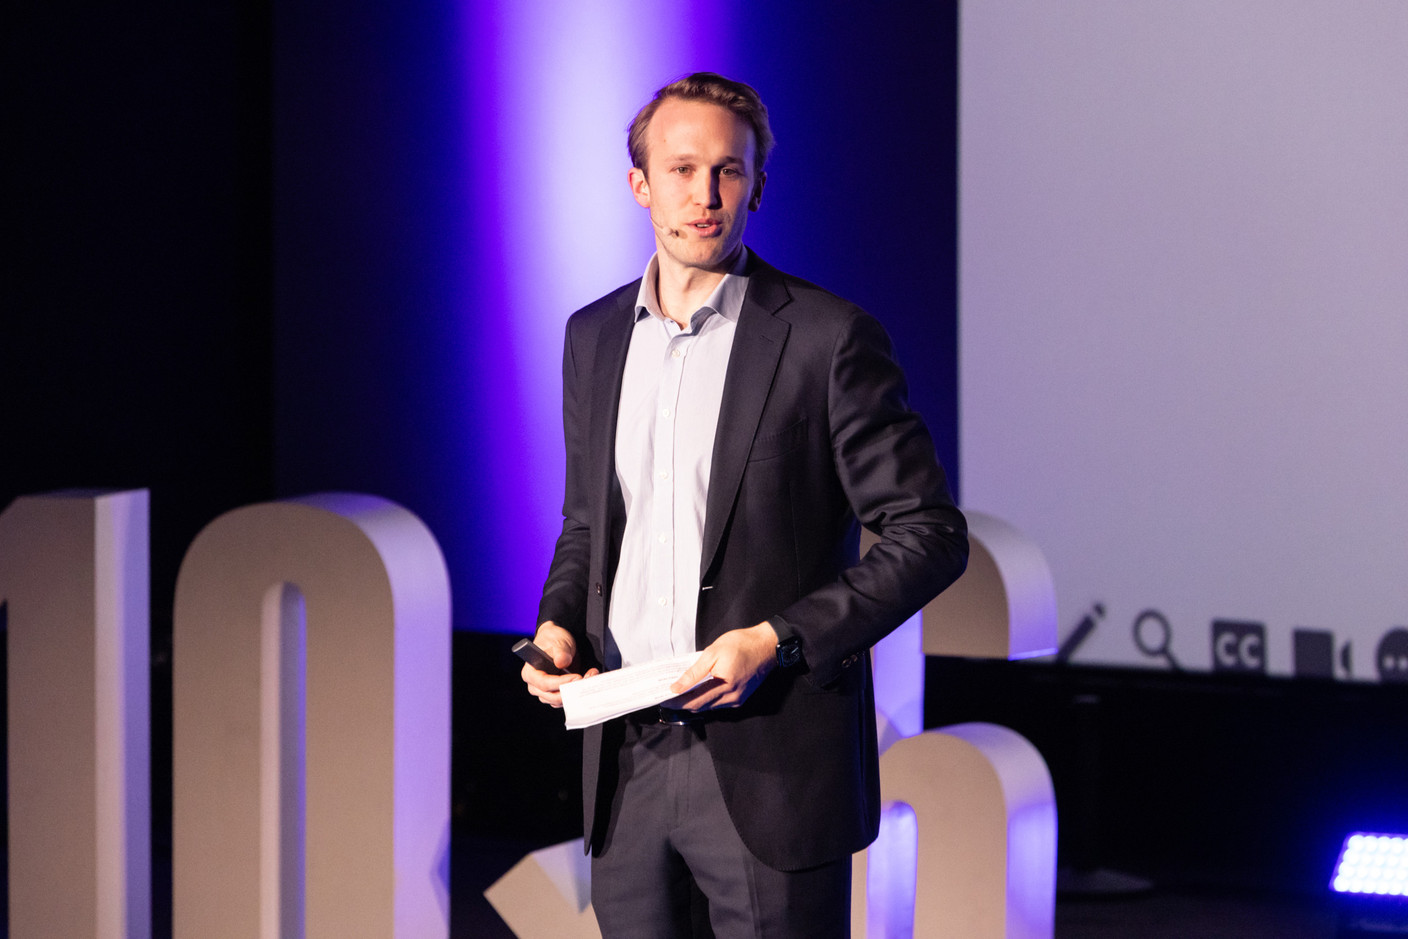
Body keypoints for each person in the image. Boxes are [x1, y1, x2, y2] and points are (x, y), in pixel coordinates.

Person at [521, 71, 968, 938]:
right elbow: (588, 521)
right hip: (627, 751)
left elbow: (929, 534)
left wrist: (777, 638)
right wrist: (557, 625)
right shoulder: (593, 335)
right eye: (682, 170)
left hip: (772, 759)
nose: (706, 195)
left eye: (729, 171)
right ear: (640, 184)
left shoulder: (828, 338)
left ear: (759, 184)